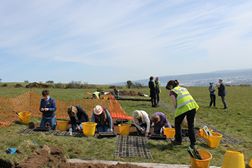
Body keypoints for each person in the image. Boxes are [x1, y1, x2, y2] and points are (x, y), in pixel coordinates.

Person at [166, 80, 199, 147]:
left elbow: (175, 104)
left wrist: (178, 112)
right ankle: (193, 143)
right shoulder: (183, 88)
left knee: (177, 124)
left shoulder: (173, 91)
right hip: (192, 106)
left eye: (169, 88)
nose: (170, 89)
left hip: (183, 108)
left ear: (171, 86)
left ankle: (178, 141)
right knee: (191, 125)